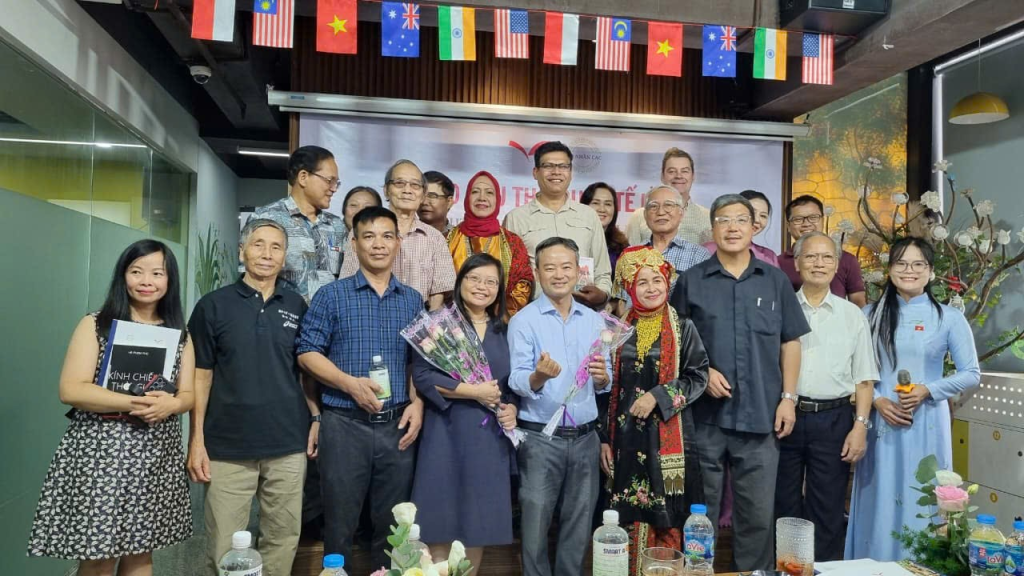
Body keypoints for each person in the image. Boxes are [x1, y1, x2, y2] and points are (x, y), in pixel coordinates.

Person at [28, 240, 195, 575]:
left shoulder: (179, 334)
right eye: (136, 271)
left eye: (157, 273)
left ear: (169, 280)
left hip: (155, 453)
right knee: (98, 555)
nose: (146, 281)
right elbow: (71, 389)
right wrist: (136, 402)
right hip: (101, 451)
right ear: (123, 276)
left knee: (141, 552)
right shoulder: (95, 324)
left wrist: (173, 403)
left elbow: (188, 393)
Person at [669, 194, 809, 572]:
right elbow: (674, 343)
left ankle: (752, 572)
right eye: (724, 220)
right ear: (712, 228)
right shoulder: (691, 281)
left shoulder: (775, 280)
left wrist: (788, 398)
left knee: (757, 516)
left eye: (740, 220)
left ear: (753, 227)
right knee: (700, 514)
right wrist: (702, 372)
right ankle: (698, 572)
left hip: (761, 415)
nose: (732, 228)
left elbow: (791, 342)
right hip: (704, 418)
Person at [186, 219, 319, 576]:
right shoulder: (213, 306)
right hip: (227, 445)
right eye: (258, 244)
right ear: (242, 251)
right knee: (224, 546)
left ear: (285, 257)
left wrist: (315, 417)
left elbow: (305, 371)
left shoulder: (297, 305)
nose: (267, 254)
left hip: (287, 442)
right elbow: (200, 376)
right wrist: (196, 440)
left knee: (282, 538)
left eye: (276, 247)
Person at [297, 206, 426, 570]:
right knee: (339, 523)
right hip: (344, 424)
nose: (378, 244)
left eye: (387, 236)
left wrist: (417, 403)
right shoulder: (331, 295)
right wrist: (349, 384)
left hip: (397, 426)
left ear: (398, 243)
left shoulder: (412, 300)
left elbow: (419, 361)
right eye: (368, 236)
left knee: (393, 527)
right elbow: (306, 353)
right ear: (354, 244)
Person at [845, 237, 980, 562]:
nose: (910, 270)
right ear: (889, 270)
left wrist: (928, 390)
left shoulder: (949, 317)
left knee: (925, 496)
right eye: (902, 263)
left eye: (918, 264)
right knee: (879, 496)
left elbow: (971, 374)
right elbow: (850, 368)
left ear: (930, 271)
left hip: (927, 424)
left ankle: (923, 566)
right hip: (881, 423)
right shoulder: (869, 315)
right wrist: (877, 400)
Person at [600, 246, 709, 575]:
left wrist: (658, 397)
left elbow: (698, 376)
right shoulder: (617, 329)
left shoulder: (683, 327)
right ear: (630, 289)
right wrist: (604, 439)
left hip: (666, 441)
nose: (651, 288)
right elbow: (605, 390)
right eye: (642, 282)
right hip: (624, 442)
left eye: (657, 280)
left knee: (667, 514)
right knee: (627, 516)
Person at [508, 237, 612, 576]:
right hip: (540, 439)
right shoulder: (523, 321)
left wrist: (602, 379)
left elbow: (606, 380)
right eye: (549, 267)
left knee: (579, 525)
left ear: (578, 271)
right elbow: (516, 380)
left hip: (586, 438)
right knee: (534, 525)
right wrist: (538, 376)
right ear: (537, 272)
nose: (558, 274)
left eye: (566, 266)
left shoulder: (595, 321)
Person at [774, 231, 879, 562]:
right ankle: (786, 568)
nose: (818, 263)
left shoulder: (852, 315)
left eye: (826, 257)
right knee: (782, 504)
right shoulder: (781, 307)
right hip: (785, 416)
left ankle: (824, 569)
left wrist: (860, 426)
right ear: (797, 263)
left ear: (837, 265)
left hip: (834, 419)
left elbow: (864, 379)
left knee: (828, 507)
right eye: (810, 256)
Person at [411, 253, 519, 572]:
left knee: (477, 522)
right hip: (445, 432)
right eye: (474, 278)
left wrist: (513, 408)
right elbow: (423, 376)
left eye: (491, 282)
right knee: (439, 518)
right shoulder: (438, 325)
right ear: (460, 282)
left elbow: (512, 385)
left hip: (489, 438)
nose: (482, 287)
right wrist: (473, 391)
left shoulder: (505, 330)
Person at [504, 141, 612, 310]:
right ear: (535, 172)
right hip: (534, 313)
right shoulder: (516, 218)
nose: (556, 172)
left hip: (581, 312)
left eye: (563, 166)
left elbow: (603, 271)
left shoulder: (588, 216)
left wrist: (602, 294)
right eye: (548, 166)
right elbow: (508, 276)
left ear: (571, 172)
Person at [340, 160, 457, 310]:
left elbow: (438, 294)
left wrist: (429, 323)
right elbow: (348, 282)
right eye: (400, 183)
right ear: (386, 190)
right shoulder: (362, 231)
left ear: (423, 194)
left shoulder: (435, 238)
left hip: (419, 321)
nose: (407, 190)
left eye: (415, 185)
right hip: (369, 315)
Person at [252, 145, 348, 303]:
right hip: (281, 315)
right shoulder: (267, 218)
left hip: (328, 317)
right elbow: (252, 280)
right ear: (303, 177)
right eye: (329, 181)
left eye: (336, 183)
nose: (334, 189)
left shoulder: (337, 226)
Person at [447, 171, 534, 316]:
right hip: (453, 322)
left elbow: (523, 284)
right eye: (475, 192)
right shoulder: (448, 239)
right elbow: (438, 285)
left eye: (489, 192)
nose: (482, 198)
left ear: (498, 199)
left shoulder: (512, 242)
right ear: (467, 197)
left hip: (500, 323)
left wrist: (497, 318)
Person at [779, 195, 866, 308]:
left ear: (822, 220)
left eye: (813, 217)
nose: (806, 224)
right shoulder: (777, 263)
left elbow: (858, 302)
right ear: (788, 226)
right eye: (798, 219)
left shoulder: (847, 259)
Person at [626, 147, 713, 246]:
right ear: (662, 176)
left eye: (684, 171)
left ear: (693, 176)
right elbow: (629, 253)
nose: (678, 176)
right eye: (671, 171)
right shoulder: (639, 217)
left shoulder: (708, 218)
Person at [704, 190, 779, 267]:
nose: (757, 220)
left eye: (763, 216)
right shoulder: (706, 250)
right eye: (752, 213)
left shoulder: (769, 257)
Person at [580, 182, 628, 272]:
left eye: (608, 204)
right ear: (583, 206)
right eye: (595, 203)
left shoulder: (622, 248)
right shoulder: (572, 241)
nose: (602, 209)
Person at [419, 170, 457, 236]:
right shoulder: (403, 234)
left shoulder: (459, 238)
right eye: (421, 196)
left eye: (432, 196)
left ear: (449, 202)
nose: (424, 202)